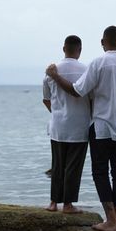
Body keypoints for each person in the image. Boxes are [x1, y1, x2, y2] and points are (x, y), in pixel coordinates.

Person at [46, 26, 116, 231]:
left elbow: (76, 90)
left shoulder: (98, 63)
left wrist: (55, 75)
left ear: (102, 42)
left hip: (102, 127)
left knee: (100, 172)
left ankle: (110, 220)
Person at [42, 35, 91, 214]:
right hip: (79, 126)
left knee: (57, 165)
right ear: (80, 50)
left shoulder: (51, 71)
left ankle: (53, 203)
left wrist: (57, 112)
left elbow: (46, 99)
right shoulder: (86, 70)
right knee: (73, 167)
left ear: (64, 48)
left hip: (58, 126)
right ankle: (68, 205)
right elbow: (92, 99)